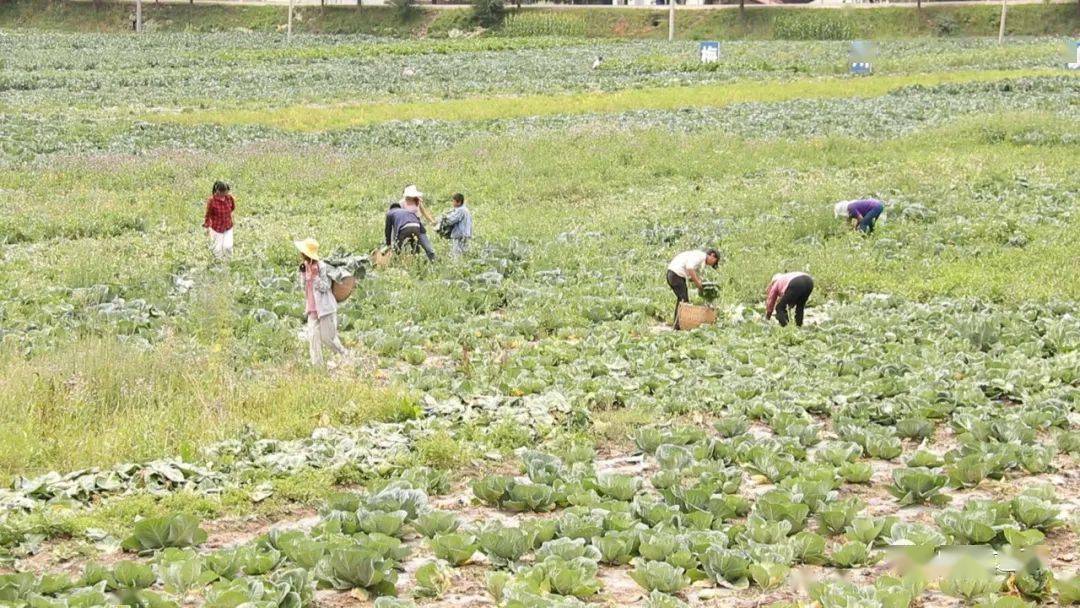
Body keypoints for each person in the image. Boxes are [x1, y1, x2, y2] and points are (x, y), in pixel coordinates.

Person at [295, 238, 348, 367]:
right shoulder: (304, 266)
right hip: (312, 309)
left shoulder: (322, 266)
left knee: (327, 339)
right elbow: (302, 287)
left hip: (325, 309)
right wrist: (303, 274)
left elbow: (325, 286)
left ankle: (344, 354)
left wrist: (315, 277)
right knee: (313, 338)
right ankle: (317, 368)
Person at [666, 248, 720, 330]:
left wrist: (696, 280)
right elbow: (689, 268)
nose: (712, 265)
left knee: (682, 300)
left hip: (673, 274)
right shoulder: (700, 256)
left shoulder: (698, 256)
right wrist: (698, 283)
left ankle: (677, 325)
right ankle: (678, 326)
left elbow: (690, 271)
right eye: (714, 262)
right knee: (684, 301)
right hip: (676, 274)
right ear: (712, 256)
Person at [203, 181, 235, 260]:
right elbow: (208, 214)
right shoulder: (212, 201)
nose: (225, 194)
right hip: (216, 228)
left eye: (226, 192)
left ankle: (229, 263)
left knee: (228, 247)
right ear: (218, 191)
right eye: (223, 192)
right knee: (217, 250)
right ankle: (219, 266)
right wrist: (207, 226)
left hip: (228, 226)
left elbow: (232, 207)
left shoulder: (229, 198)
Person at [442, 193, 473, 258]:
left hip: (460, 236)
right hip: (466, 235)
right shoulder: (465, 209)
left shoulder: (460, 210)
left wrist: (444, 217)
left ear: (458, 202)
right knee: (465, 255)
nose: (452, 203)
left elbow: (451, 220)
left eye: (453, 201)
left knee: (457, 256)